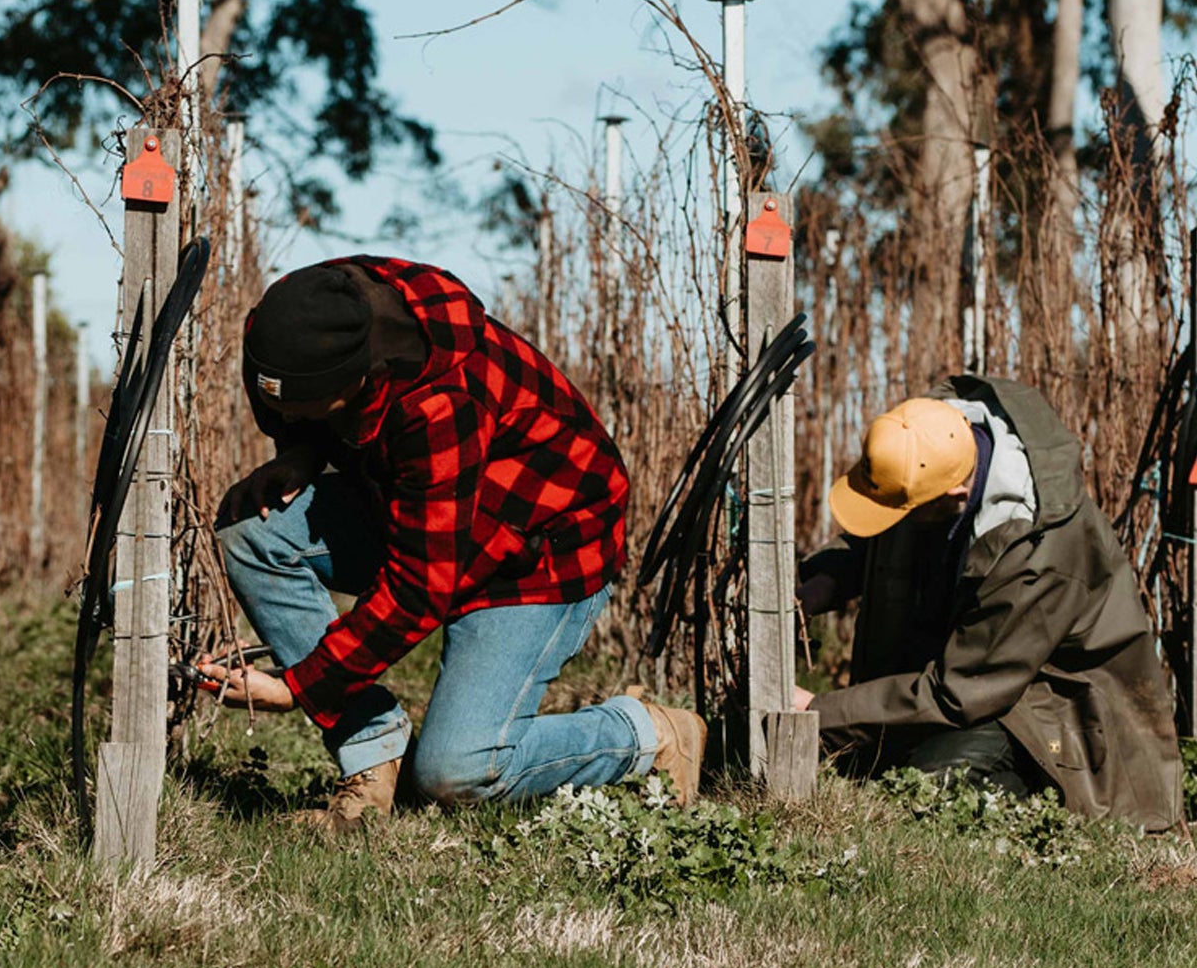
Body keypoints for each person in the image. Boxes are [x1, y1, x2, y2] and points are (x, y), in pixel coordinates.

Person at [202, 257, 703, 828]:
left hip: (542, 548)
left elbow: (418, 588)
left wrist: (302, 686)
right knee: (253, 530)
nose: (281, 412)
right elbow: (292, 408)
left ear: (358, 381)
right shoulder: (289, 323)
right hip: (422, 510)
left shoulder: (439, 401)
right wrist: (297, 451)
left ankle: (645, 734)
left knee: (456, 771)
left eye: (304, 408)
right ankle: (372, 751)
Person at [796, 379, 1183, 829]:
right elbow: (886, 528)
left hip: (1047, 702)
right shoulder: (932, 444)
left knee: (926, 784)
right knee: (878, 766)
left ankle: (1040, 799)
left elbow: (960, 691)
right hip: (974, 672)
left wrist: (815, 713)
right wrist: (826, 578)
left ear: (956, 495)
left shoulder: (1037, 555)